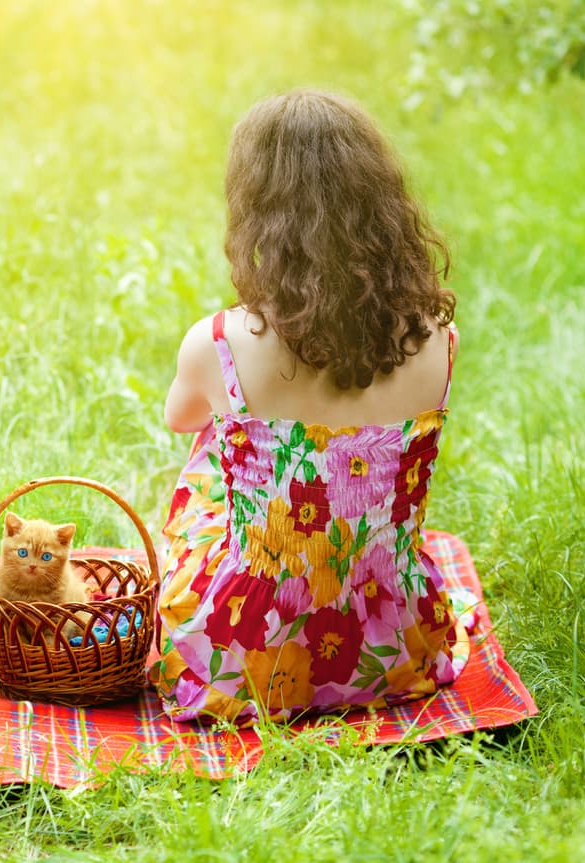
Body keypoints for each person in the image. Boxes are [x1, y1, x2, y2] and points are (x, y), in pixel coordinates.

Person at [150, 90, 466, 725]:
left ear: (258, 212)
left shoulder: (220, 342)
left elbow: (180, 419)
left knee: (218, 448)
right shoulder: (438, 337)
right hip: (398, 649)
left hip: (243, 661)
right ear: (383, 204)